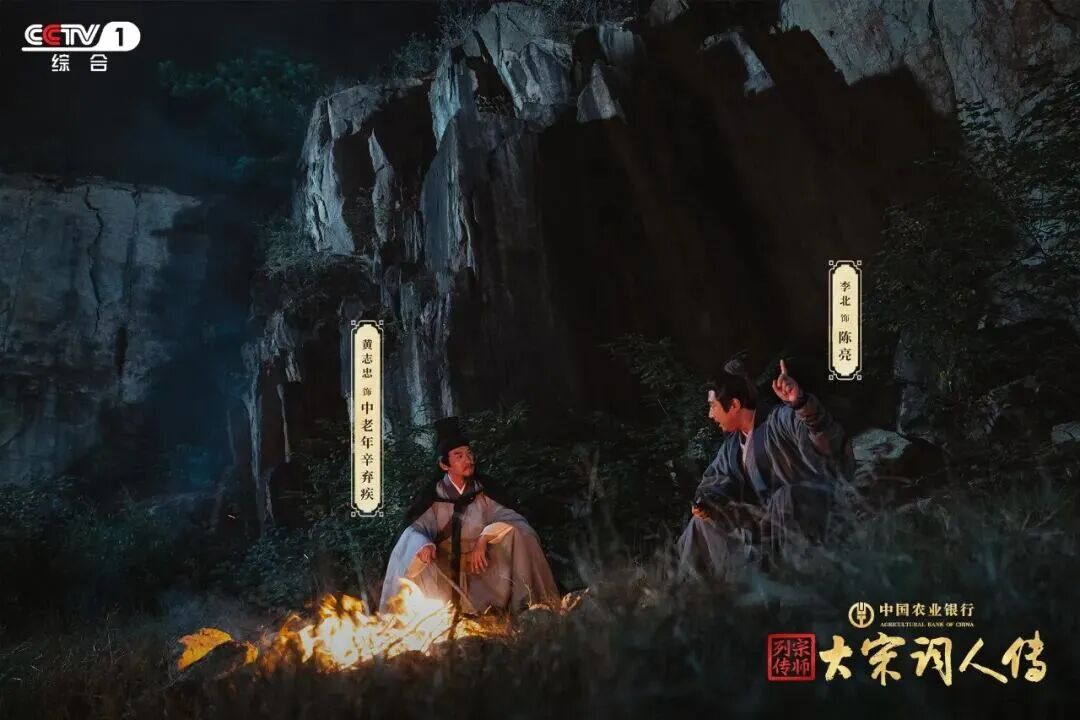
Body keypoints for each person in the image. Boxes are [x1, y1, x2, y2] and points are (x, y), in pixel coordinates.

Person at [678, 357, 852, 577]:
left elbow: (824, 439)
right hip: (763, 529)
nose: (710, 415)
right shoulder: (731, 448)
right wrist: (708, 503)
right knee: (700, 525)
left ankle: (799, 582)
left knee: (784, 498)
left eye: (713, 406)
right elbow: (714, 481)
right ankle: (689, 590)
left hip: (809, 517)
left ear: (734, 405)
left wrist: (801, 405)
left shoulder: (780, 420)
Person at [379, 416, 561, 615]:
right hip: (443, 569)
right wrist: (423, 545)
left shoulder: (484, 491)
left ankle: (525, 608)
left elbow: (510, 518)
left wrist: (484, 539)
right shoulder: (434, 495)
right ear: (444, 465)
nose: (468, 460)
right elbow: (415, 528)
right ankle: (412, 616)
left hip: (481, 569)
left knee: (520, 533)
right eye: (459, 456)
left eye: (469, 453)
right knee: (411, 546)